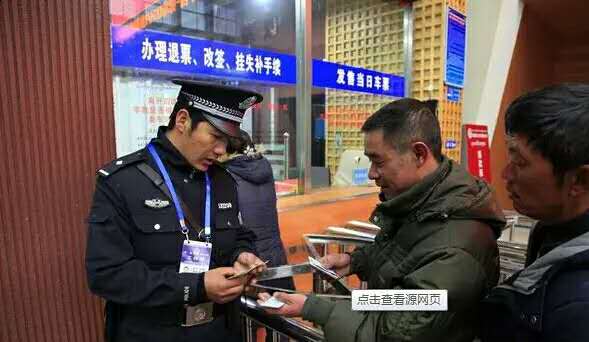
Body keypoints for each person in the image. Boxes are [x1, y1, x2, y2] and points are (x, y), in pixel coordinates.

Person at [258, 98, 506, 342]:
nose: (371, 173)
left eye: (378, 161)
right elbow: (401, 288)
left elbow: (394, 332)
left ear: (419, 154)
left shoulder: (456, 249)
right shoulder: (425, 205)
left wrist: (315, 308)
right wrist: (355, 261)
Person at [85, 79, 267, 342]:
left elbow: (238, 235)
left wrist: (243, 254)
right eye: (215, 137)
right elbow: (107, 275)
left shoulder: (222, 181)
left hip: (220, 331)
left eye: (227, 142)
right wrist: (195, 287)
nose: (221, 151)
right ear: (182, 120)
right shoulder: (122, 182)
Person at [480, 84, 589, 342]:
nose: (505, 175)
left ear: (580, 180)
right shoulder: (552, 230)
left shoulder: (579, 307)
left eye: (519, 162)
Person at [223, 130, 295, 292]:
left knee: (256, 310)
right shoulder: (264, 166)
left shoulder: (226, 173)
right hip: (275, 250)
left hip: (250, 257)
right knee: (280, 304)